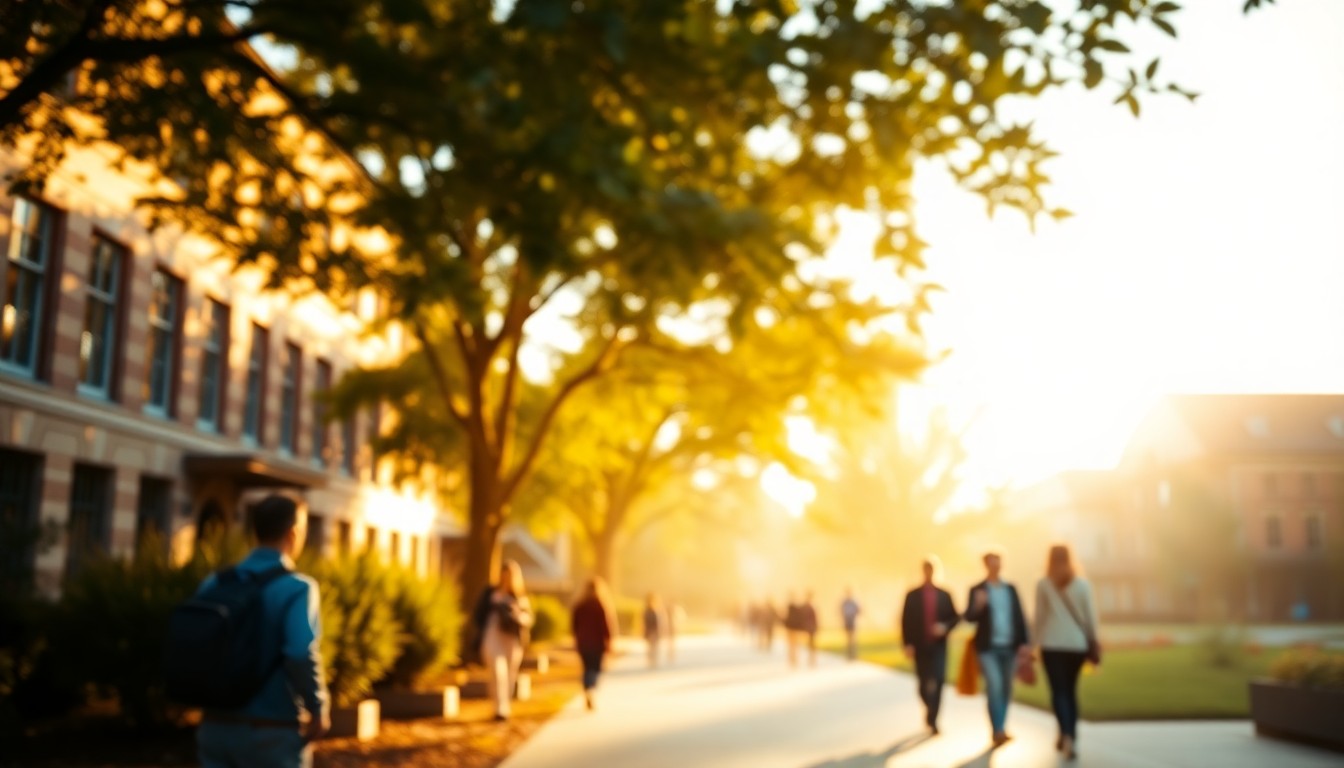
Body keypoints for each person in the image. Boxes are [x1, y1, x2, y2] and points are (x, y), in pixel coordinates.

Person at [196, 494, 330, 768]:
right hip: (272, 732)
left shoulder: (215, 582)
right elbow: (299, 653)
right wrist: (317, 709)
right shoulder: (297, 588)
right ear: (293, 534)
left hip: (214, 728)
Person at [1034, 544, 1101, 761]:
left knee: (1058, 692)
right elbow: (1090, 617)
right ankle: (1070, 735)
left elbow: (1039, 618)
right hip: (1077, 645)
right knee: (1071, 692)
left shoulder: (1044, 585)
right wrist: (1093, 641)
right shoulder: (1082, 585)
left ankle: (1064, 734)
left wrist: (1032, 645)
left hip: (1052, 645)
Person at [964, 549, 1030, 748]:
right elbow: (969, 618)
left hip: (1009, 646)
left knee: (1007, 689)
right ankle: (998, 730)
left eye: (998, 562)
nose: (996, 566)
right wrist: (978, 606)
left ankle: (1001, 727)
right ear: (986, 565)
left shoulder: (1011, 589)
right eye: (992, 563)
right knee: (994, 686)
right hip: (988, 648)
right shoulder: (978, 589)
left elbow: (1020, 617)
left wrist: (1025, 643)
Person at [901, 556, 960, 735]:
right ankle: (929, 709)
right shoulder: (912, 595)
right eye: (926, 569)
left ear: (935, 571)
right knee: (923, 683)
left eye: (931, 569)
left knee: (939, 679)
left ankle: (933, 719)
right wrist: (907, 644)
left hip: (939, 646)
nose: (929, 572)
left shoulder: (944, 594)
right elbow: (905, 621)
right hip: (919, 645)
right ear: (923, 571)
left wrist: (944, 627)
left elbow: (955, 617)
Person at [472, 559, 534, 721]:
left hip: (512, 639)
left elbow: (528, 620)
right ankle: (499, 709)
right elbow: (478, 615)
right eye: (504, 574)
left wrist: (516, 614)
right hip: (492, 636)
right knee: (497, 671)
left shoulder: (519, 596)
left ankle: (505, 705)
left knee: (509, 674)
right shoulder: (490, 593)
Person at [570, 577, 617, 711]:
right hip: (597, 643)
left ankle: (587, 689)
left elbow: (574, 625)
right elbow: (606, 626)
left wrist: (575, 640)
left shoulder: (579, 605)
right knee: (595, 669)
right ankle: (590, 687)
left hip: (583, 642)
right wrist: (609, 642)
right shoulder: (600, 604)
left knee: (586, 668)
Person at [642, 593, 664, 668]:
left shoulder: (656, 610)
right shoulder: (646, 611)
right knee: (650, 647)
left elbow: (659, 622)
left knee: (654, 647)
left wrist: (660, 631)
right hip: (649, 631)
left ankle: (653, 660)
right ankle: (651, 660)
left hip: (655, 631)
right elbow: (643, 623)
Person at [840, 588, 862, 661]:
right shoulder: (844, 602)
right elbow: (841, 610)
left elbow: (859, 610)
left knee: (853, 639)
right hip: (847, 621)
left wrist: (854, 615)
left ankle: (853, 655)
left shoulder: (854, 602)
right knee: (848, 639)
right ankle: (849, 655)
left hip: (853, 621)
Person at [800, 591, 819, 667]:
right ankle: (811, 658)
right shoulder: (807, 606)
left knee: (812, 642)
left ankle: (812, 658)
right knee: (811, 642)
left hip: (811, 627)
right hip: (809, 627)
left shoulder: (811, 605)